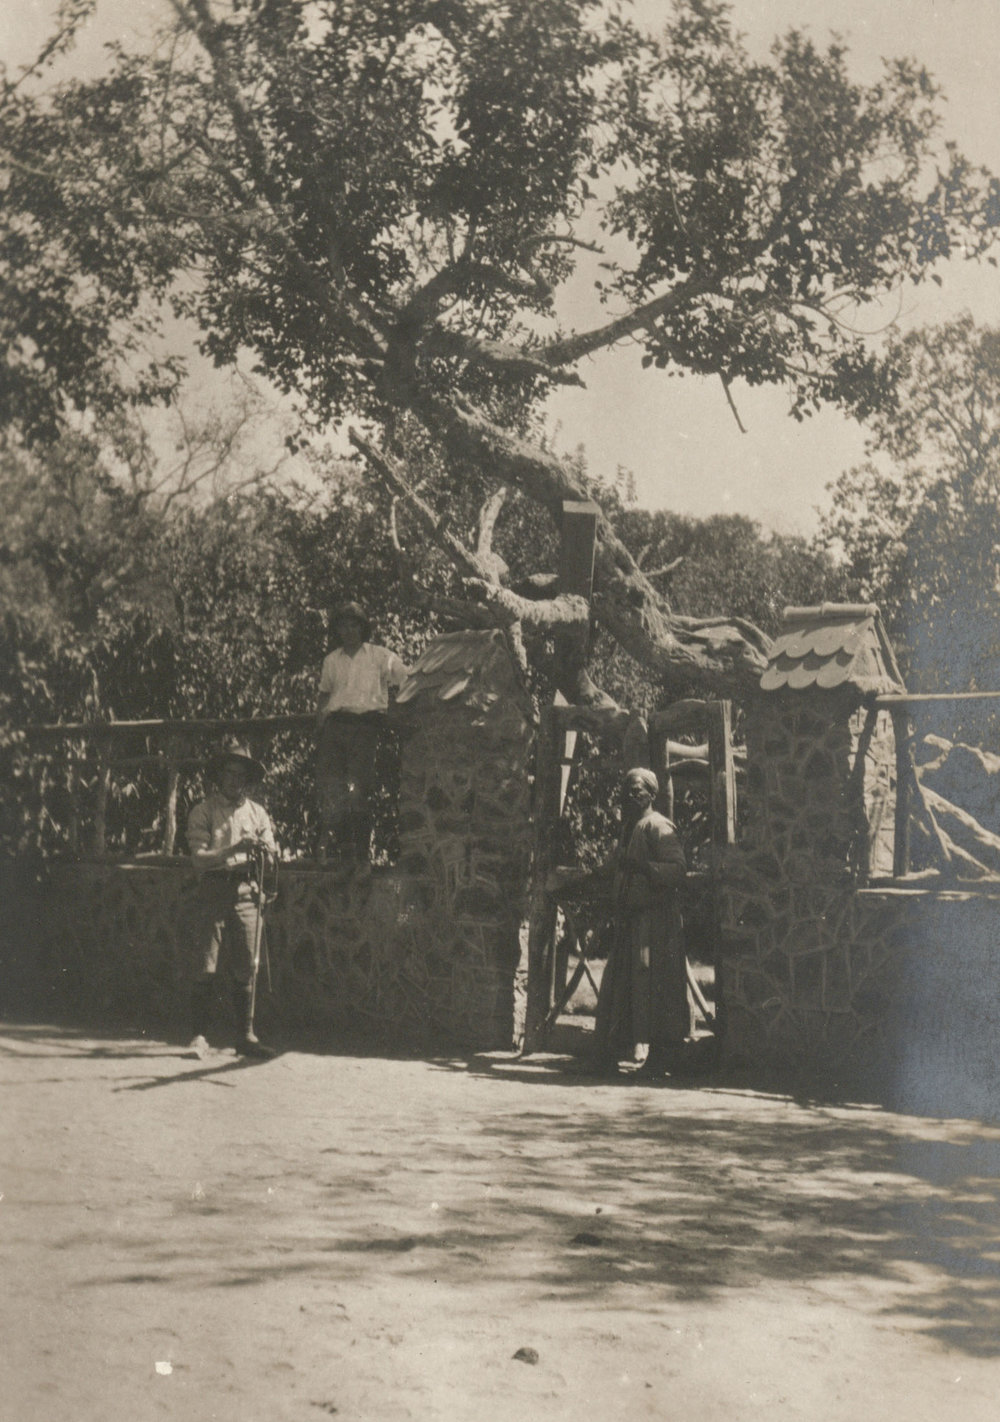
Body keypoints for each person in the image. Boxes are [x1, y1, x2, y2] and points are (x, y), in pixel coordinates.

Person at [185, 736, 278, 1060]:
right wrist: (233, 850)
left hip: (247, 893)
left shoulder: (258, 814)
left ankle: (246, 1036)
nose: (235, 780)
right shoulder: (203, 811)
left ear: (248, 779)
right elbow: (199, 858)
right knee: (205, 965)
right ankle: (198, 1036)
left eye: (241, 775)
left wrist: (265, 853)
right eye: (229, 773)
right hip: (213, 889)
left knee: (247, 967)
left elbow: (271, 853)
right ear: (219, 776)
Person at [593, 767, 689, 1078]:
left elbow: (677, 868)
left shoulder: (658, 826)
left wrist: (644, 867)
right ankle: (612, 1053)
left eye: (638, 790)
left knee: (654, 986)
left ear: (651, 794)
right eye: (628, 791)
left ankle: (661, 1056)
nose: (632, 796)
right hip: (631, 922)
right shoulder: (629, 829)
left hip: (655, 925)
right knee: (621, 986)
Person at [314, 600, 409, 866]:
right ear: (338, 630)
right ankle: (345, 857)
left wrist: (399, 712)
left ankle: (362, 857)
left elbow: (406, 679)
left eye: (354, 625)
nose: (349, 631)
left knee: (359, 790)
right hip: (336, 728)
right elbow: (324, 695)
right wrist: (320, 725)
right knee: (335, 791)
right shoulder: (332, 660)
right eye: (343, 626)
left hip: (366, 727)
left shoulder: (380, 656)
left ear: (363, 628)